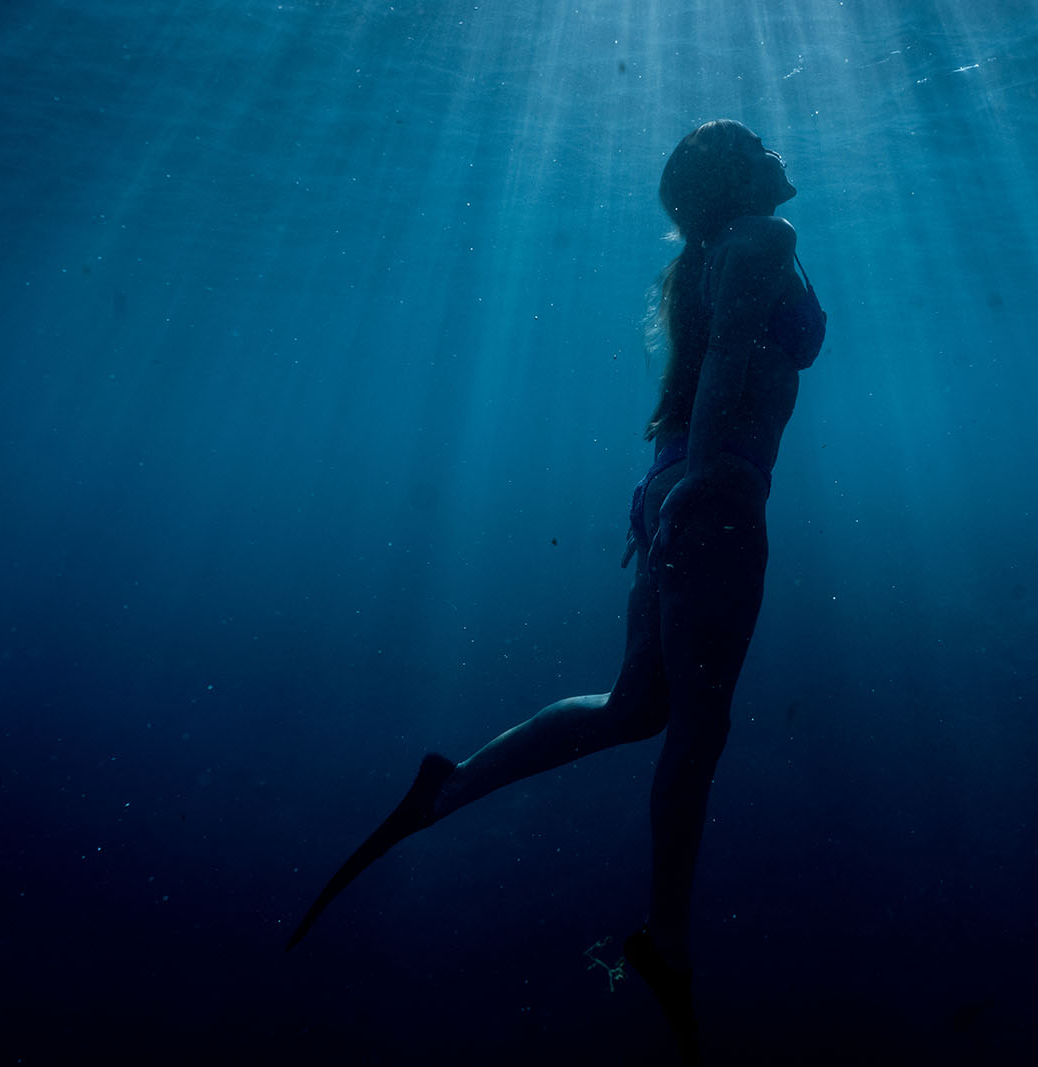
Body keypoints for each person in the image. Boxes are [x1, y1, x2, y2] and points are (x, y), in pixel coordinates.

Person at [287, 119, 825, 1063]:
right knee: (697, 730)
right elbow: (736, 360)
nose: (776, 147)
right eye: (754, 142)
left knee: (635, 707)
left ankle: (446, 790)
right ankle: (666, 943)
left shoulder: (724, 247)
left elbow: (715, 364)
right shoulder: (762, 240)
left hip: (676, 486)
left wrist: (670, 495)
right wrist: (703, 492)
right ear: (734, 178)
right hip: (717, 495)